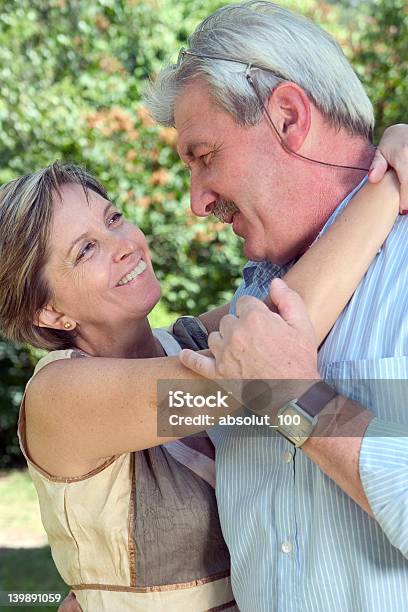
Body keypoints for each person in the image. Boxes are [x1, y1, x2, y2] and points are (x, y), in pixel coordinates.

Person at [0, 154, 402, 612]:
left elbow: (289, 297)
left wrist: (388, 149)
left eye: (113, 218)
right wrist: (388, 181)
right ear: (50, 311)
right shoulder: (60, 397)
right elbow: (271, 350)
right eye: (85, 249)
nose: (124, 244)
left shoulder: (190, 341)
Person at [144, 1, 408, 611]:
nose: (195, 200)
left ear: (288, 117)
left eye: (204, 156)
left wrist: (298, 400)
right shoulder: (242, 315)